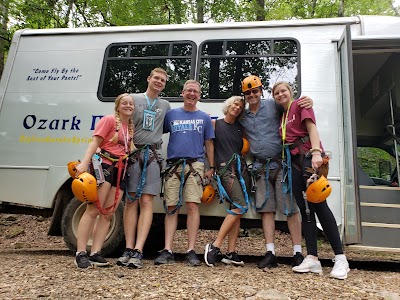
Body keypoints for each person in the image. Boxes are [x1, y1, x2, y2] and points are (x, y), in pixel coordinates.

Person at [272, 81, 350, 279]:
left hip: (309, 159)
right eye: (276, 93)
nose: (280, 94)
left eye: (283, 91)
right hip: (295, 164)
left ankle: (341, 258)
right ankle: (313, 258)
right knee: (305, 209)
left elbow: (312, 128)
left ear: (290, 92)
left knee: (320, 206)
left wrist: (316, 153)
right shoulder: (283, 115)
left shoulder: (300, 105)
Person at [240, 75, 312, 269]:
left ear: (261, 91)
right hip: (260, 167)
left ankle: (297, 253)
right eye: (248, 92)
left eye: (255, 90)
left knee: (291, 208)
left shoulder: (273, 105)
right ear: (245, 95)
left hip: (281, 165)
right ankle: (270, 252)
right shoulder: (243, 116)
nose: (252, 95)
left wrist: (307, 102)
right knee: (266, 209)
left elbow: (293, 108)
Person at [154, 79, 215, 267]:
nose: (191, 94)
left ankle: (190, 250)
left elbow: (209, 144)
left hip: (195, 165)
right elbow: (156, 132)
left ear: (199, 95)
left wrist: (210, 167)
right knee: (171, 207)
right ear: (182, 93)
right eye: (188, 90)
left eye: (195, 91)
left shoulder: (204, 117)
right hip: (173, 165)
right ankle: (168, 250)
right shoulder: (171, 115)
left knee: (193, 206)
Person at [117, 68, 171, 269]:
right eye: (156, 78)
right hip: (134, 155)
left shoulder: (165, 105)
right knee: (131, 200)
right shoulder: (133, 99)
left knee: (147, 201)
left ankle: (139, 250)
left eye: (162, 80)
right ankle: (128, 248)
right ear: (148, 79)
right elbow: (121, 121)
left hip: (153, 156)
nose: (159, 82)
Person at [74, 93, 135, 269]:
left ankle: (96, 252)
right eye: (125, 103)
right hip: (106, 167)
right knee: (93, 210)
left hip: (121, 170)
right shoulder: (108, 120)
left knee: (108, 213)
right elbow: (95, 143)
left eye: (131, 104)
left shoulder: (130, 127)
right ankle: (80, 253)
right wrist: (85, 163)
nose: (128, 106)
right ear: (117, 105)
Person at [204, 96, 249, 267]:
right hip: (225, 171)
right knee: (240, 206)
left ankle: (231, 252)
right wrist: (211, 167)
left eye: (240, 106)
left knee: (235, 210)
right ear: (228, 105)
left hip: (240, 171)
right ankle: (214, 246)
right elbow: (207, 145)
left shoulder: (240, 128)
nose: (237, 107)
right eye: (235, 104)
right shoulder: (216, 125)